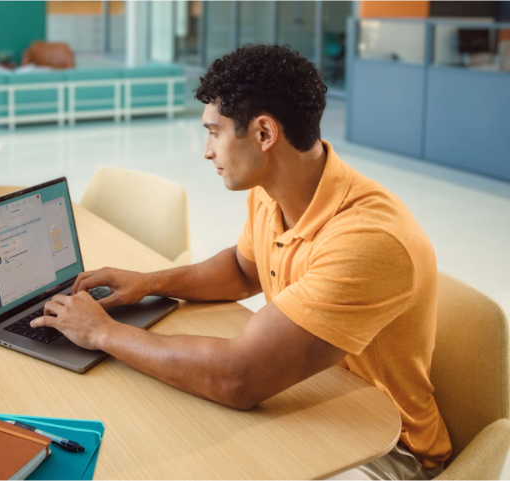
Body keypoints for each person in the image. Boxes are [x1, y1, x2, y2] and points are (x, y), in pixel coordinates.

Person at [31, 45, 451, 479]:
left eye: (214, 132)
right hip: (315, 394)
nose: (206, 151)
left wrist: (103, 332)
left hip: (386, 448)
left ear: (264, 134)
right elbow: (242, 269)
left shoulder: (367, 239)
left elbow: (239, 378)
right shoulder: (272, 191)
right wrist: (148, 282)